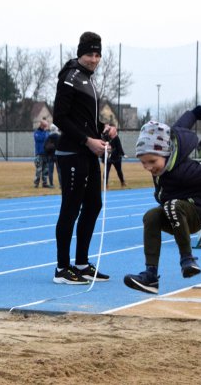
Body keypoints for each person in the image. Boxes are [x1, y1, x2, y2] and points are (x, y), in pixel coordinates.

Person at [123, 108, 201, 294]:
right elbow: (179, 127)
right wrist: (193, 113)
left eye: (152, 161)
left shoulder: (186, 171)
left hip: (196, 213)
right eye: (143, 163)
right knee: (151, 216)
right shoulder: (166, 144)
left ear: (167, 154)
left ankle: (187, 260)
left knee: (172, 205)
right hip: (173, 211)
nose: (148, 167)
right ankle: (150, 276)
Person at [52, 31, 116, 285]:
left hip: (88, 152)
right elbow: (60, 117)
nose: (94, 59)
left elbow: (84, 119)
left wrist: (103, 130)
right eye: (90, 54)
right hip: (72, 152)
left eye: (98, 54)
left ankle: (81, 263)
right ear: (80, 53)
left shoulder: (88, 79)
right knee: (70, 208)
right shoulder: (70, 78)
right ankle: (61, 268)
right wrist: (87, 140)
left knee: (93, 205)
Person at [32, 119, 50, 188]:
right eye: (45, 126)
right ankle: (36, 183)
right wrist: (45, 134)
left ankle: (45, 183)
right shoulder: (36, 133)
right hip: (39, 154)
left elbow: (48, 139)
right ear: (42, 125)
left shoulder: (46, 133)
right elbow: (40, 139)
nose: (46, 128)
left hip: (46, 154)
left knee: (46, 169)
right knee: (38, 169)